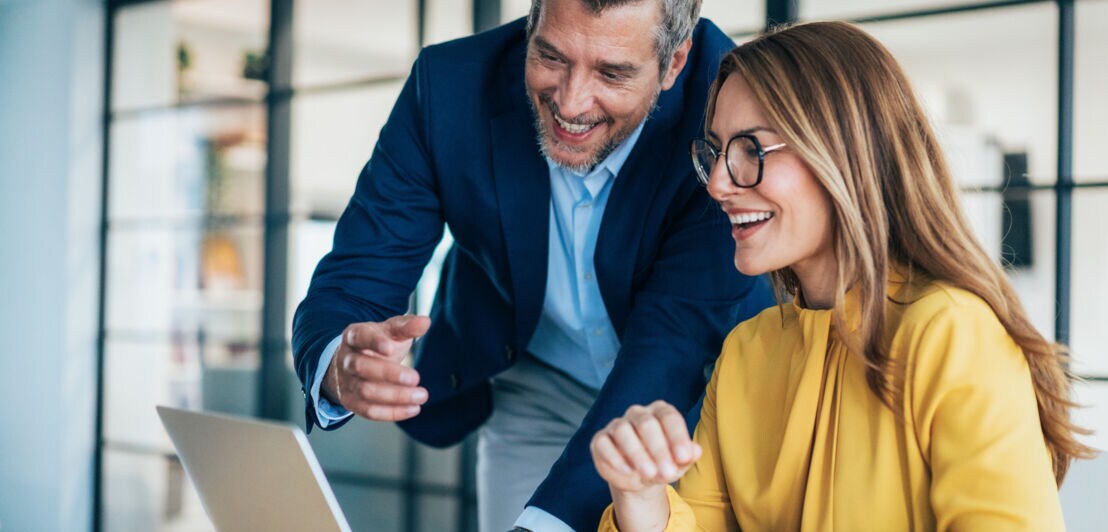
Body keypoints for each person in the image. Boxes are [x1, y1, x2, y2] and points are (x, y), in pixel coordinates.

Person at [590, 21, 1096, 531]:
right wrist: (641, 498)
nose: (719, 183)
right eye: (718, 152)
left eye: (751, 150)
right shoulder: (746, 351)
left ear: (842, 153)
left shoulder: (951, 332)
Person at [291, 0, 775, 530]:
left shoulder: (726, 110)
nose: (570, 102)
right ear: (532, 23)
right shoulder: (450, 86)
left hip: (682, 405)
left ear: (675, 62)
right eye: (550, 56)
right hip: (536, 382)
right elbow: (361, 268)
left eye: (612, 73)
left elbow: (673, 346)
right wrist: (338, 360)